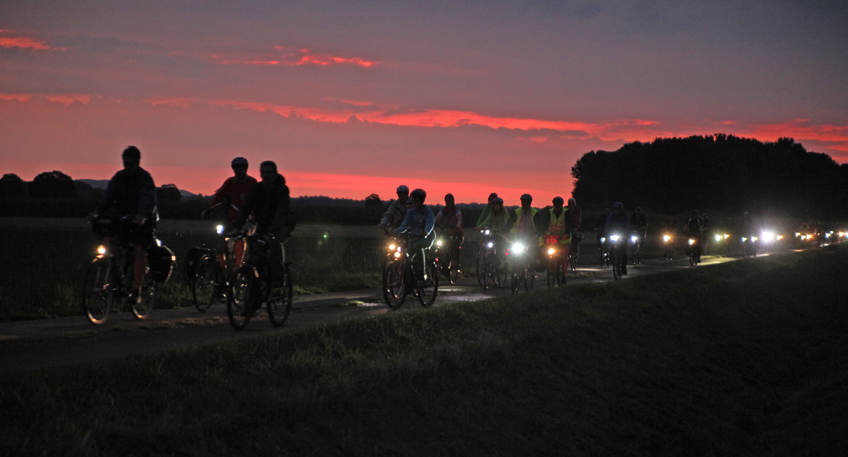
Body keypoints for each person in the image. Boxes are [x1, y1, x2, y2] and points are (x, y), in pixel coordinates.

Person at [89, 146, 158, 304]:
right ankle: (118, 274)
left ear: (137, 162)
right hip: (123, 218)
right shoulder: (118, 177)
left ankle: (136, 290)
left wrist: (142, 216)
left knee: (138, 248)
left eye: (130, 164)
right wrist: (97, 213)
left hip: (144, 220)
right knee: (110, 241)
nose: (127, 167)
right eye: (125, 163)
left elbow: (147, 200)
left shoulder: (145, 178)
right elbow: (108, 196)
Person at [230, 160, 295, 279]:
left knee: (274, 243)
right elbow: (245, 208)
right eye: (263, 172)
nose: (265, 175)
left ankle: (278, 278)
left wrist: (272, 232)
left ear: (275, 174)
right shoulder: (256, 188)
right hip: (263, 225)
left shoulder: (282, 189)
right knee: (255, 250)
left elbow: (281, 213)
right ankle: (259, 282)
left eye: (269, 172)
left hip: (282, 225)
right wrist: (237, 227)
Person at [201, 157, 257, 272]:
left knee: (241, 236)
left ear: (246, 169)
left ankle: (237, 266)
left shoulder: (252, 183)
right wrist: (209, 209)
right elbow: (219, 195)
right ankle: (221, 269)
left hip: (248, 219)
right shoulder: (230, 182)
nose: (239, 170)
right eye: (236, 168)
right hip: (232, 219)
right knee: (222, 240)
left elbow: (258, 201)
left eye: (241, 167)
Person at [395, 188, 435, 281]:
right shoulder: (411, 212)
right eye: (413, 200)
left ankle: (422, 272)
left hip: (426, 237)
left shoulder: (427, 211)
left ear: (422, 200)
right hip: (413, 237)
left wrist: (426, 232)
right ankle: (408, 277)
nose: (415, 202)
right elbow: (404, 225)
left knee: (418, 246)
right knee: (408, 256)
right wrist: (394, 232)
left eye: (417, 200)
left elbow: (430, 222)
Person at [540, 196, 570, 283]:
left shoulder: (566, 213)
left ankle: (563, 276)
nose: (556, 207)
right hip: (552, 238)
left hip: (563, 239)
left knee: (564, 257)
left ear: (561, 205)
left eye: (558, 205)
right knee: (547, 253)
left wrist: (566, 234)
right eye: (555, 205)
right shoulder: (549, 213)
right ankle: (550, 267)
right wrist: (542, 232)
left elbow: (569, 224)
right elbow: (544, 223)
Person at [475, 197, 510, 267]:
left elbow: (506, 222)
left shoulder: (505, 214)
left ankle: (501, 262)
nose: (496, 206)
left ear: (501, 206)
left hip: (501, 234)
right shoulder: (492, 213)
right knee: (486, 243)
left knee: (500, 248)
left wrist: (505, 230)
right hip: (493, 233)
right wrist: (480, 227)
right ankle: (486, 259)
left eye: (497, 205)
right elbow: (487, 221)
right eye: (494, 205)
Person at [434, 193, 463, 272]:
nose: (448, 203)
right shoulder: (443, 210)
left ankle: (456, 263)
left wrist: (458, 224)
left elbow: (459, 218)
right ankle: (440, 263)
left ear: (453, 201)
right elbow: (437, 218)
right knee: (439, 245)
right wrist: (432, 223)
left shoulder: (457, 210)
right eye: (447, 201)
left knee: (455, 247)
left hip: (455, 232)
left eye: (450, 201)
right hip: (445, 231)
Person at [604, 202, 630, 274]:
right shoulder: (611, 216)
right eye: (616, 209)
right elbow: (607, 225)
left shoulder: (625, 216)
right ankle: (612, 260)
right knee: (611, 247)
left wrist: (626, 234)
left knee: (623, 252)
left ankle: (623, 268)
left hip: (622, 235)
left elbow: (627, 226)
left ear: (621, 209)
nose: (618, 211)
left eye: (619, 209)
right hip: (613, 233)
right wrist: (606, 235)